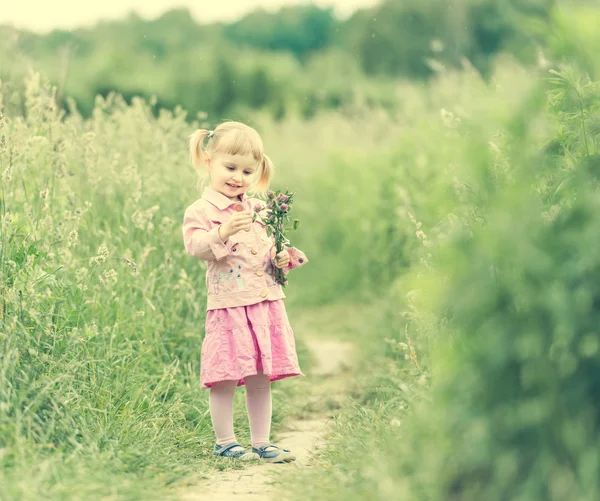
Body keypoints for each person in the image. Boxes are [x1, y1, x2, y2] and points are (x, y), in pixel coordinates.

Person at [182, 121, 308, 463]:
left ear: (258, 171)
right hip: (229, 305)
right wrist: (221, 231)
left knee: (260, 375)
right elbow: (195, 246)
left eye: (247, 170)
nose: (238, 177)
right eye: (230, 167)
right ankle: (225, 441)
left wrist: (281, 257)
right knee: (224, 374)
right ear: (209, 162)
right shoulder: (201, 211)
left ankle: (262, 442)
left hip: (264, 302)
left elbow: (269, 249)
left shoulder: (260, 210)